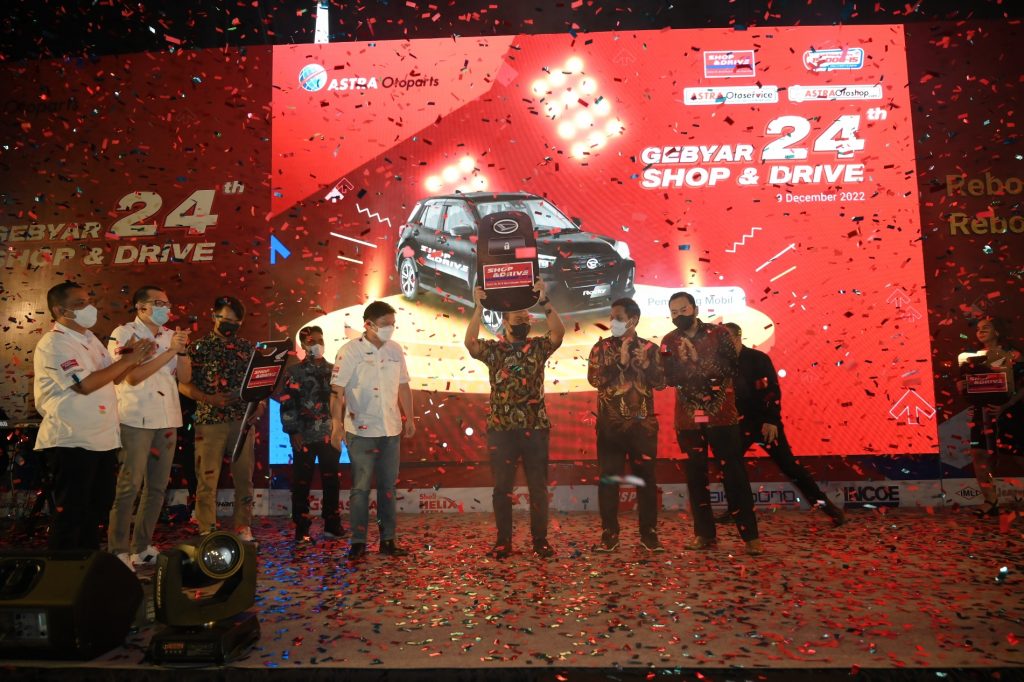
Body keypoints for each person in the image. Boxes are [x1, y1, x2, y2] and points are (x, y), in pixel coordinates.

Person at [33, 282, 155, 551]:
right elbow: (84, 385)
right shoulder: (54, 343)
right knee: (72, 513)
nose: (88, 308)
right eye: (79, 304)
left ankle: (87, 567)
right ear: (59, 310)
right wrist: (127, 361)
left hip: (102, 439)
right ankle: (64, 570)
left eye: (88, 301)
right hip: (72, 439)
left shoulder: (90, 339)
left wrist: (133, 357)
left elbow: (115, 377)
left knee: (97, 509)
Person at [465, 279, 564, 559]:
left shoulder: (538, 347)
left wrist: (544, 301)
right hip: (502, 429)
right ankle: (503, 541)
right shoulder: (494, 350)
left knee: (538, 488)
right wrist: (478, 307)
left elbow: (558, 333)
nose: (523, 321)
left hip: (536, 428)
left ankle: (540, 540)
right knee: (502, 489)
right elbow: (470, 343)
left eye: (526, 318)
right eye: (517, 318)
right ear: (505, 323)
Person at [660, 291, 763, 555]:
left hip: (721, 416)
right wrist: (683, 364)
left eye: (683, 310)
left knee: (734, 475)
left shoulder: (719, 334)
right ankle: (704, 534)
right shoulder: (669, 341)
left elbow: (732, 368)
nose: (678, 316)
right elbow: (669, 378)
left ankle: (750, 536)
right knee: (696, 477)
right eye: (673, 312)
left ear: (695, 309)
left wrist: (699, 361)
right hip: (688, 419)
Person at [718, 322, 845, 526]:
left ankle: (830, 509)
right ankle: (736, 510)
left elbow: (771, 391)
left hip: (763, 423)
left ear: (737, 337)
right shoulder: (722, 363)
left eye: (726, 339)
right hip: (738, 424)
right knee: (729, 466)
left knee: (790, 467)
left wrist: (771, 420)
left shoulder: (758, 359)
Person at [107, 286, 192, 570]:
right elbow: (131, 377)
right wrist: (171, 352)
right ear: (141, 307)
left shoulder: (170, 335)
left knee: (156, 488)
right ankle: (118, 549)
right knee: (129, 486)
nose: (165, 308)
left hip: (167, 419)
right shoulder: (125, 333)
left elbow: (185, 377)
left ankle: (141, 547)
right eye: (158, 303)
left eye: (167, 303)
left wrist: (182, 351)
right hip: (135, 418)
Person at [330, 301, 415, 561]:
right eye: (384, 324)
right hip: (360, 431)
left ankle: (388, 540)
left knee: (388, 487)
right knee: (361, 489)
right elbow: (336, 391)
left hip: (391, 428)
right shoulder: (350, 351)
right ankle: (358, 542)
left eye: (392, 324)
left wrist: (410, 418)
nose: (390, 328)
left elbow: (403, 386)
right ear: (368, 325)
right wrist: (336, 425)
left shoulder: (395, 349)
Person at [178, 296, 261, 541]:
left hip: (242, 421)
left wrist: (261, 405)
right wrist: (207, 398)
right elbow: (182, 384)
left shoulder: (247, 348)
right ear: (214, 316)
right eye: (225, 319)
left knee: (244, 478)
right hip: (209, 421)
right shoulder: (198, 347)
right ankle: (207, 527)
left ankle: (243, 526)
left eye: (235, 322)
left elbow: (259, 383)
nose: (230, 325)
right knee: (207, 478)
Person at [587, 297, 666, 552]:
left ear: (633, 320)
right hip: (610, 427)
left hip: (643, 428)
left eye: (618, 318)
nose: (613, 322)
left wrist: (647, 365)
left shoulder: (651, 348)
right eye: (611, 318)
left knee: (646, 479)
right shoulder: (601, 348)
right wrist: (618, 362)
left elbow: (661, 382)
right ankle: (609, 534)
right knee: (609, 480)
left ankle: (649, 534)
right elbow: (594, 379)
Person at [279, 325, 345, 542]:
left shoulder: (334, 370)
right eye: (311, 341)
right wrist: (292, 432)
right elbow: (287, 403)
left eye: (320, 340)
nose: (317, 344)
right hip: (304, 436)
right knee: (301, 483)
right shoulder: (294, 372)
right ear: (303, 345)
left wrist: (340, 429)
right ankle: (302, 527)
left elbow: (341, 402)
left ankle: (332, 524)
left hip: (329, 435)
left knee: (331, 481)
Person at [956, 317, 1023, 517]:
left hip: (1011, 412)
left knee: (1018, 455)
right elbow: (962, 385)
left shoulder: (1014, 355)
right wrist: (964, 390)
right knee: (979, 454)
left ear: (998, 331)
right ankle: (990, 501)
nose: (981, 331)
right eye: (978, 328)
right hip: (981, 413)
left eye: (986, 327)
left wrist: (1005, 406)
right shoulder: (970, 357)